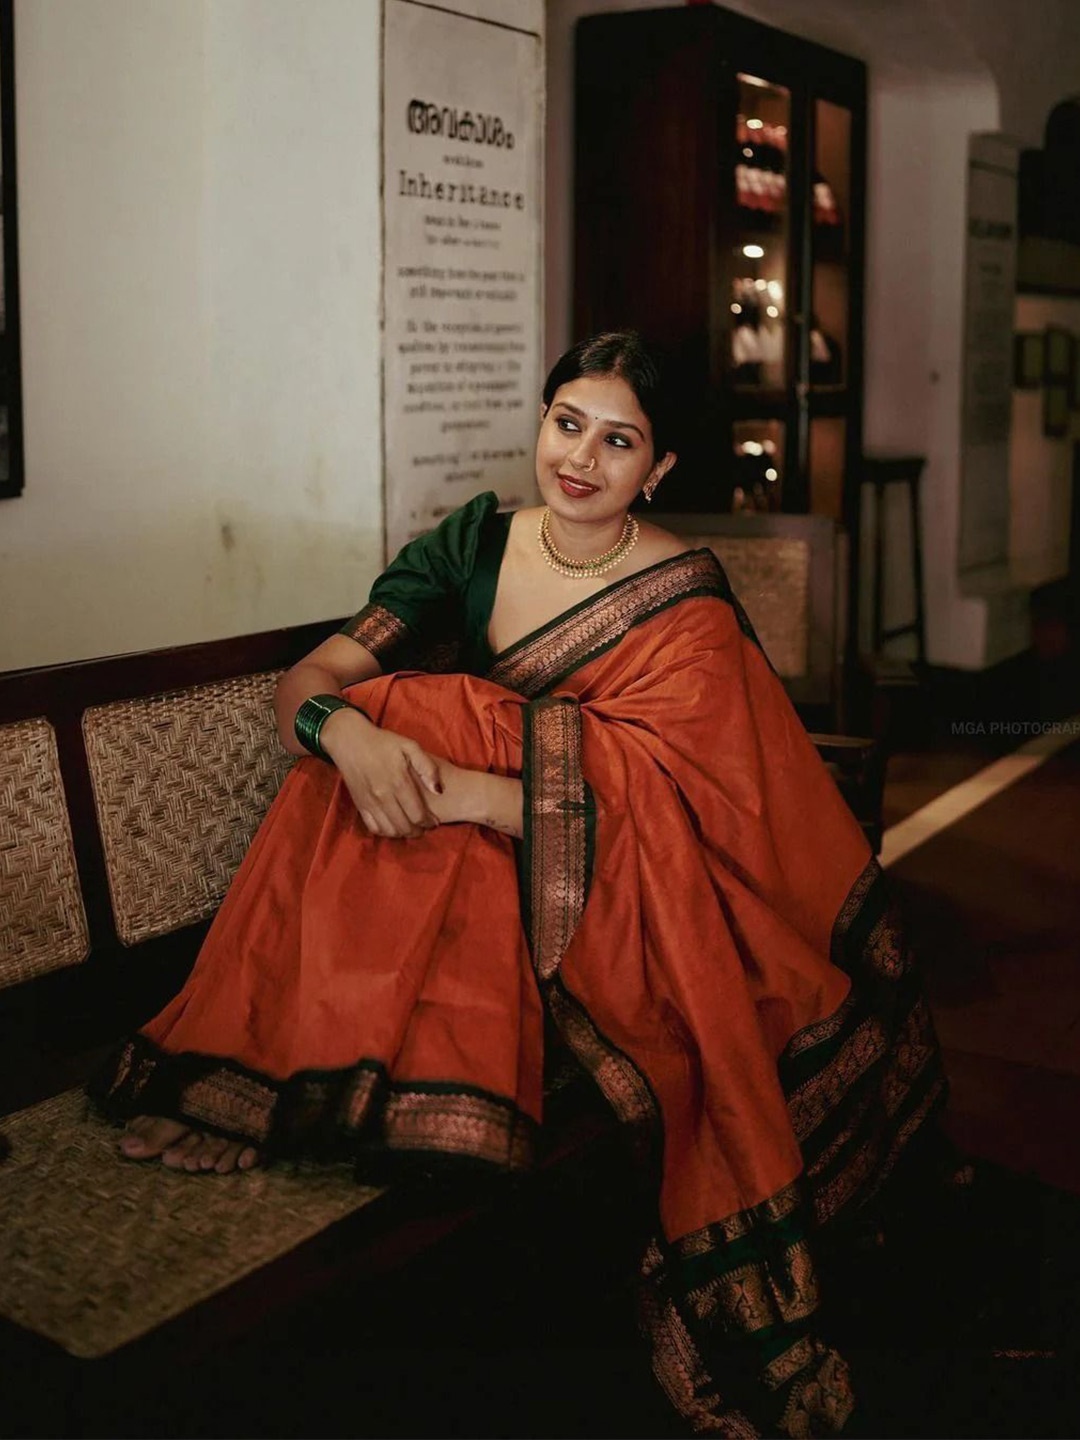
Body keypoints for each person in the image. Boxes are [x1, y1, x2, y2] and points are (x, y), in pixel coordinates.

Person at [95, 331, 947, 1437]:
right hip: (495, 863)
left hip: (629, 890)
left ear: (661, 469)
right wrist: (339, 734)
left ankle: (284, 1070)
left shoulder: (681, 596)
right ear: (542, 420)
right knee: (383, 722)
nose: (581, 459)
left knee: (426, 719)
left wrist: (465, 790)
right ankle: (291, 1069)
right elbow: (320, 676)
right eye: (566, 423)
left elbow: (688, 807)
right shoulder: (474, 546)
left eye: (619, 440)